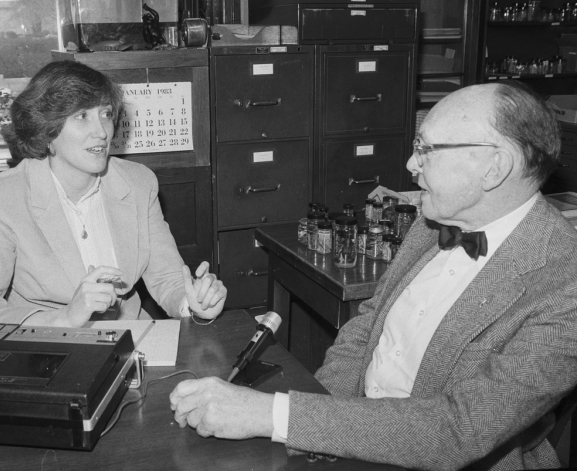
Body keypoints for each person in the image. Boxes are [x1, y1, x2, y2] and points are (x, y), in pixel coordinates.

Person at [170, 82, 577, 470]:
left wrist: (271, 414)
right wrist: (318, 435)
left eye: (427, 149)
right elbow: (366, 329)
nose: (410, 164)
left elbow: (457, 431)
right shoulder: (434, 221)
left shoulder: (564, 285)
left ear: (494, 168)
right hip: (354, 442)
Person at [0, 61, 226, 339]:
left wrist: (193, 303)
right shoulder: (2, 198)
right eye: (82, 116)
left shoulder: (138, 183)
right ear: (47, 130)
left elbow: (167, 278)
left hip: (131, 339)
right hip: (44, 347)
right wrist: (64, 318)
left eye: (105, 114)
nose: (102, 132)